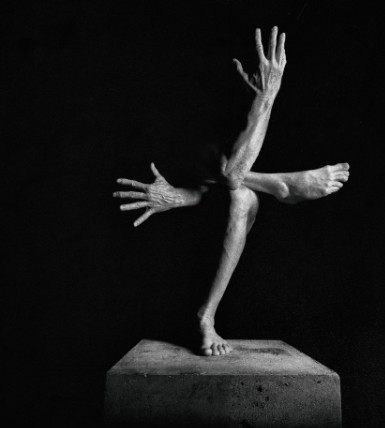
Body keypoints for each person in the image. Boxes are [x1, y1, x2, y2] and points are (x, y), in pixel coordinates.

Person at [113, 27, 350, 356]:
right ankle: (281, 185)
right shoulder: (184, 106)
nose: (247, 78)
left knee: (240, 194)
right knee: (241, 192)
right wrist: (267, 96)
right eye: (239, 71)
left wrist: (263, 101)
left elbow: (219, 179)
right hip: (143, 223)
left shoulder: (235, 117)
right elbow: (229, 174)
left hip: (202, 202)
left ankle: (281, 185)